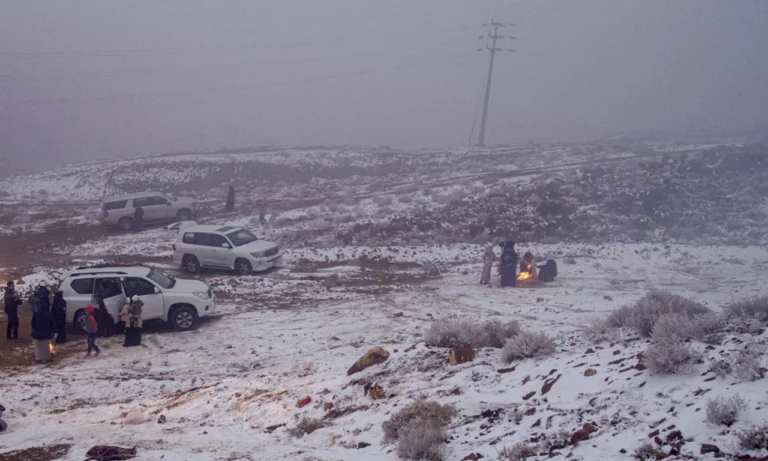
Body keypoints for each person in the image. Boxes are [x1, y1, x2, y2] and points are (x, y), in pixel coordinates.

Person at [30, 294, 56, 363]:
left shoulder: (36, 314)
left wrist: (35, 330)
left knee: (38, 346)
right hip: (46, 334)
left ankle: (38, 358)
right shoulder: (49, 315)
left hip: (36, 333)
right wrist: (55, 332)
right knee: (46, 346)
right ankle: (47, 357)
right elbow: (53, 325)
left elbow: (32, 324)